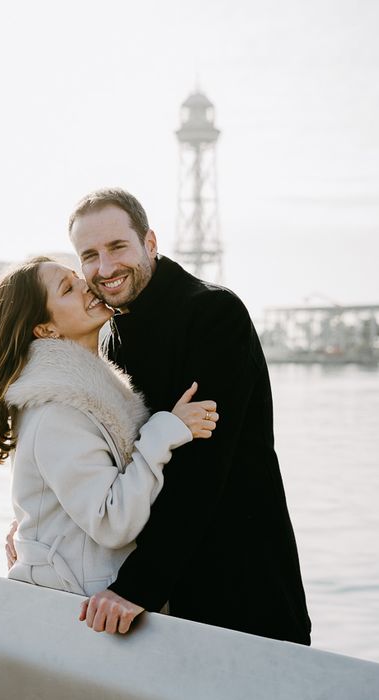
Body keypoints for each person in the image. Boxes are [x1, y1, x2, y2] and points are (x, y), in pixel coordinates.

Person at [63, 187, 312, 644]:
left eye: (118, 247)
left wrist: (138, 585)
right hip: (158, 589)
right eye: (89, 255)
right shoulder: (111, 333)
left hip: (239, 578)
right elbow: (98, 461)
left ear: (150, 243)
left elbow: (204, 468)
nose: (105, 268)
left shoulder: (214, 313)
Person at [0, 256, 218, 615]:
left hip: (90, 601)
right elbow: (111, 521)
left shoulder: (93, 393)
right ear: (46, 329)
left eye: (76, 277)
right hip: (79, 612)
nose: (86, 284)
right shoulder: (58, 411)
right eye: (68, 289)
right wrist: (165, 430)